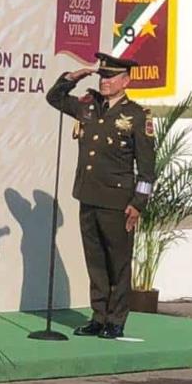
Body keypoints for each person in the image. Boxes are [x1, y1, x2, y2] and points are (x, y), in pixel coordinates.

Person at [45, 52, 156, 339]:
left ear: (126, 81)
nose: (105, 82)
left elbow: (147, 170)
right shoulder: (89, 106)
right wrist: (72, 78)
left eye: (111, 77)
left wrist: (138, 204)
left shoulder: (136, 116)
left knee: (117, 263)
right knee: (95, 261)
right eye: (102, 76)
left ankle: (116, 319)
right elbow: (54, 98)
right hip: (88, 194)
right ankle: (99, 316)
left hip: (118, 201)